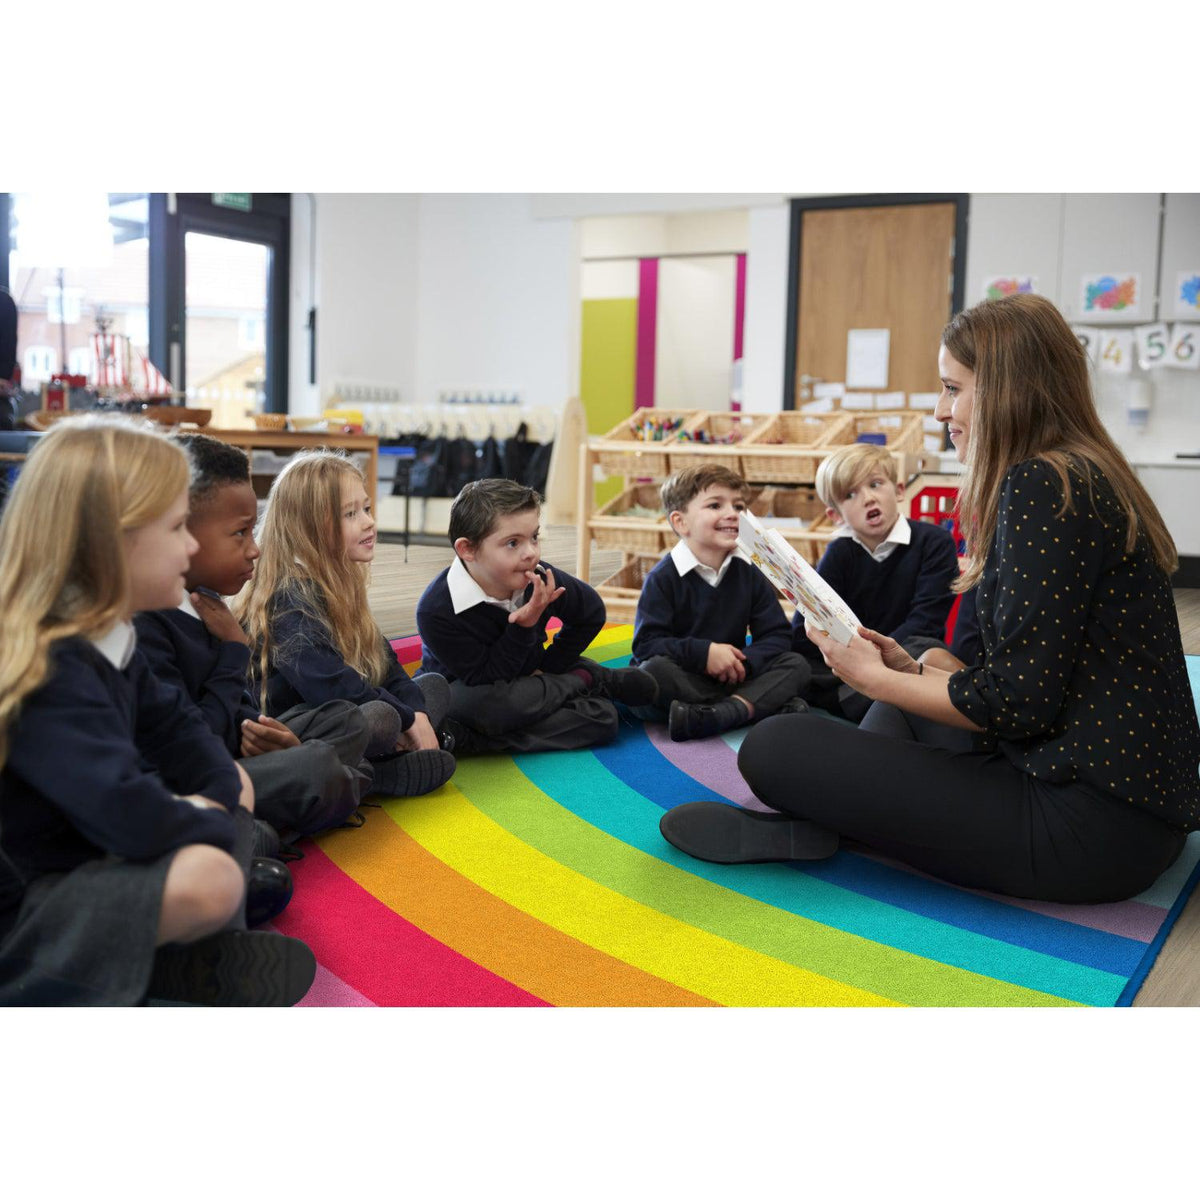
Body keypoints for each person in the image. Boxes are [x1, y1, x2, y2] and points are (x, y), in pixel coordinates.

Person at [661, 293, 1200, 904]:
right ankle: (825, 817)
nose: (943, 409)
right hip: (1132, 811)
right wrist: (915, 672)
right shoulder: (1083, 472)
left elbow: (1019, 704)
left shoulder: (1042, 485)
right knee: (912, 681)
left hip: (1086, 830)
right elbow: (1051, 678)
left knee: (776, 747)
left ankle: (819, 823)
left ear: (1005, 390)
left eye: (951, 388)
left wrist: (875, 680)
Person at [0, 415, 315, 1005]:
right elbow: (122, 808)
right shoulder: (51, 665)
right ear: (110, 542)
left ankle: (160, 961)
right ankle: (90, 981)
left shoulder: (111, 639)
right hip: (33, 903)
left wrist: (217, 796)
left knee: (236, 790)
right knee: (212, 877)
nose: (191, 545)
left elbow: (178, 733)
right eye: (176, 528)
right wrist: (208, 819)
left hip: (95, 854)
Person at [134, 434, 371, 844]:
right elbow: (190, 748)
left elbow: (237, 712)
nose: (255, 549)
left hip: (232, 752)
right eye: (240, 534)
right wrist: (232, 653)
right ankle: (355, 784)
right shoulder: (149, 623)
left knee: (347, 720)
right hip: (195, 776)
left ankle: (287, 812)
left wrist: (273, 741)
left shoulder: (205, 603)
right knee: (318, 768)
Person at [234, 450, 456, 799]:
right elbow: (333, 688)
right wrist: (408, 718)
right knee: (380, 717)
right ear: (309, 529)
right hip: (296, 727)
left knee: (432, 686)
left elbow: (387, 665)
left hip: (345, 711)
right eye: (350, 514)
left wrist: (416, 713)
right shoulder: (289, 597)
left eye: (366, 508)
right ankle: (375, 774)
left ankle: (375, 767)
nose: (368, 521)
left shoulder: (340, 579)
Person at [415, 478, 658, 755]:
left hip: (528, 679)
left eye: (534, 537)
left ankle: (467, 739)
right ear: (467, 549)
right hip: (472, 688)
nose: (530, 552)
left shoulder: (539, 577)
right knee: (473, 704)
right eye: (512, 543)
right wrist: (525, 627)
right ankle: (586, 679)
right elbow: (484, 677)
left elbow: (591, 611)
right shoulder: (436, 609)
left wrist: (551, 666)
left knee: (602, 721)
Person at [630, 464, 810, 741]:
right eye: (715, 505)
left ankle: (715, 714)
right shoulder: (662, 578)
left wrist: (745, 663)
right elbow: (646, 644)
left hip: (733, 675)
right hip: (684, 675)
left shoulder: (749, 572)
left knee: (796, 664)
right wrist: (705, 654)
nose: (732, 514)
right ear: (680, 522)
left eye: (739, 506)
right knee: (651, 673)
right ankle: (749, 707)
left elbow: (776, 635)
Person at [791, 441, 960, 722]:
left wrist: (871, 661)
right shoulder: (840, 551)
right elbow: (804, 628)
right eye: (850, 494)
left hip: (906, 656)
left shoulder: (934, 542)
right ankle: (864, 699)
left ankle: (855, 699)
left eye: (876, 484)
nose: (868, 498)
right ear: (835, 516)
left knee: (929, 654)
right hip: (849, 664)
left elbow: (926, 620)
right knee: (791, 663)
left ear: (899, 490)